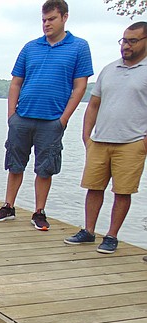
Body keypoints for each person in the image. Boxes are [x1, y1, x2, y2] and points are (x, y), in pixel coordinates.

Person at [0, 0, 93, 229]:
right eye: (43, 20)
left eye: (51, 19)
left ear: (64, 17)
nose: (46, 24)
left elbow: (80, 86)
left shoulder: (79, 47)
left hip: (52, 120)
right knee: (14, 164)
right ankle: (8, 206)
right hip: (22, 117)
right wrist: (11, 115)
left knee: (45, 168)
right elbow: (16, 82)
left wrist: (64, 119)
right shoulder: (30, 47)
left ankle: (39, 211)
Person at [64, 22, 147, 254]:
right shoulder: (109, 69)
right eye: (124, 40)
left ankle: (111, 235)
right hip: (100, 140)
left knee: (122, 191)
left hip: (132, 142)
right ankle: (89, 231)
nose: (126, 45)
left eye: (133, 40)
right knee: (93, 187)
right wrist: (86, 136)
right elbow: (94, 104)